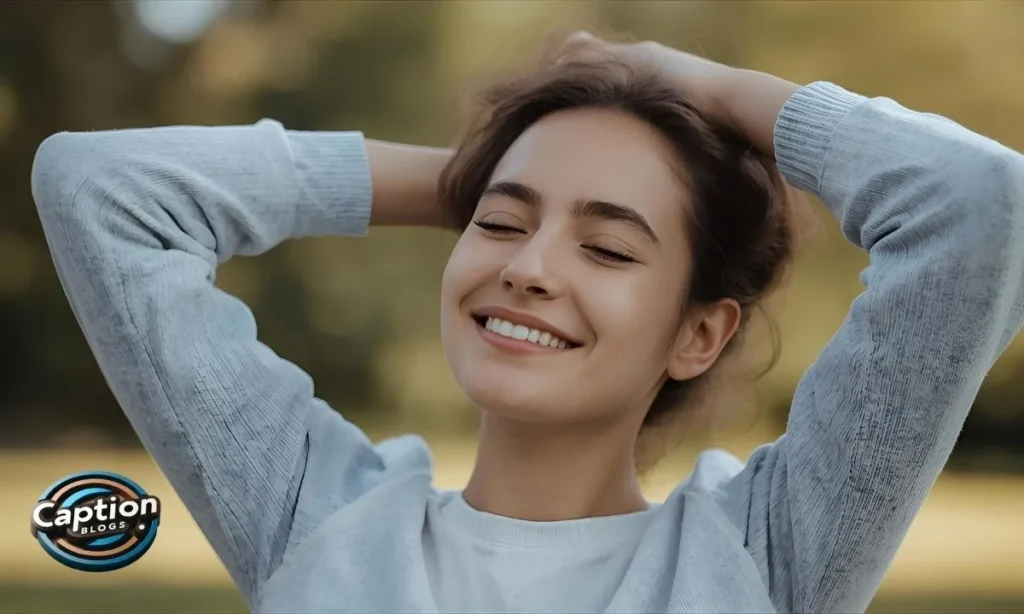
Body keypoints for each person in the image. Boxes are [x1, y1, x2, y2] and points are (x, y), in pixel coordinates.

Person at [30, 32, 1024, 614]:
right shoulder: (318, 518)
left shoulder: (767, 554)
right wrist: (461, 178)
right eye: (499, 225)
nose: (529, 266)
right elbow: (99, 188)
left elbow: (976, 204)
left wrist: (692, 81)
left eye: (607, 247)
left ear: (700, 334)